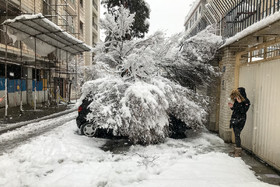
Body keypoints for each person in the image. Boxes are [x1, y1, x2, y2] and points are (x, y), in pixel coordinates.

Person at [228, 87, 250, 157]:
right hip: (235, 118)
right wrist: (232, 107)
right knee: (236, 134)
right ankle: (236, 150)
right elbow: (236, 109)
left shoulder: (246, 101)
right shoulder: (236, 100)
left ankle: (238, 152)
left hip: (241, 119)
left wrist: (240, 103)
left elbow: (243, 111)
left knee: (237, 134)